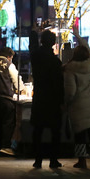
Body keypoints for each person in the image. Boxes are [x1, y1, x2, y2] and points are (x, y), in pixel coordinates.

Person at [64, 28, 90, 168]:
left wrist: (66, 102)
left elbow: (71, 91)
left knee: (80, 135)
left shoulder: (70, 69)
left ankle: (82, 160)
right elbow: (87, 48)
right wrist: (78, 36)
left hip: (78, 106)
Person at [30, 30, 64, 168]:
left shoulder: (35, 57)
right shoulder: (55, 62)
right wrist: (61, 101)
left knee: (37, 130)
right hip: (53, 100)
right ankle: (53, 159)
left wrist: (33, 31)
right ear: (53, 43)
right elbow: (59, 83)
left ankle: (38, 160)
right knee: (55, 131)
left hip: (39, 97)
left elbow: (32, 46)